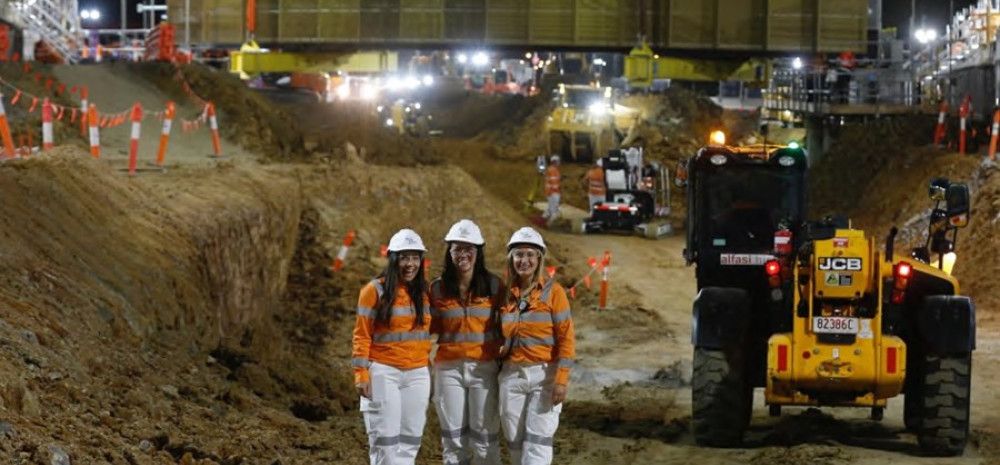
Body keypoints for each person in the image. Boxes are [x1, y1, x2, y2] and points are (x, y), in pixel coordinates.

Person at [352, 228, 432, 465]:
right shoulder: (373, 291)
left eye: (415, 258)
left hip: (417, 374)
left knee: (410, 441)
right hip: (384, 373)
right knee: (385, 443)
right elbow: (361, 335)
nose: (410, 264)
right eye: (404, 257)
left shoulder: (425, 293)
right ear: (393, 259)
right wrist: (361, 374)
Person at [498, 227, 575, 465]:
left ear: (539, 258)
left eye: (530, 255)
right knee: (514, 440)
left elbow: (567, 340)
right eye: (519, 255)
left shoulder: (555, 293)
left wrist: (561, 380)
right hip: (512, 375)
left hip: (545, 377)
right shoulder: (505, 295)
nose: (525, 260)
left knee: (538, 442)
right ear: (511, 259)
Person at [429, 219, 504, 465]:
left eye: (468, 248)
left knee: (484, 440)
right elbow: (431, 328)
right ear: (449, 252)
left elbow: (507, 327)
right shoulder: (438, 289)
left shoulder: (494, 286)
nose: (463, 254)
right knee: (453, 440)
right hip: (448, 370)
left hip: (484, 369)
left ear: (478, 252)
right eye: (457, 248)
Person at [542, 156, 561, 222]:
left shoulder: (550, 169)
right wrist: (557, 190)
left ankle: (543, 219)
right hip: (553, 192)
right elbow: (554, 182)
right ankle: (549, 224)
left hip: (550, 192)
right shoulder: (553, 170)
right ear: (555, 162)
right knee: (554, 211)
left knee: (550, 208)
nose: (559, 162)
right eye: (558, 161)